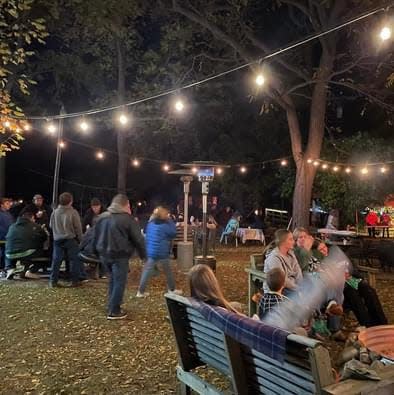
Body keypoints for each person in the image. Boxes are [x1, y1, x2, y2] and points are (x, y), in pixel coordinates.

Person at [93, 194, 146, 320]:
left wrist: (96, 253)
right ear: (125, 205)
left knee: (112, 280)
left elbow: (94, 236)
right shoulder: (127, 219)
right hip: (119, 255)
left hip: (104, 254)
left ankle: (111, 304)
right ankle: (114, 310)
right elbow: (138, 239)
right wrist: (144, 256)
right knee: (119, 282)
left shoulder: (102, 217)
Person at [137, 206, 181, 298]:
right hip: (162, 251)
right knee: (168, 271)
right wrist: (170, 221)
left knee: (147, 271)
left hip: (152, 251)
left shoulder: (151, 224)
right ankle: (171, 290)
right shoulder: (165, 226)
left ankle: (140, 291)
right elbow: (173, 233)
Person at [49, 192, 86, 287]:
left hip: (57, 240)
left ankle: (53, 281)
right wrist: (81, 239)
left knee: (56, 261)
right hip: (70, 239)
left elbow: (50, 225)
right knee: (74, 260)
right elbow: (78, 227)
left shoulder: (54, 212)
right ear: (70, 202)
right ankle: (74, 281)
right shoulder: (73, 212)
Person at [5, 210, 48, 279]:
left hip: (9, 254)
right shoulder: (35, 226)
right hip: (26, 252)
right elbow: (44, 237)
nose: (34, 220)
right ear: (31, 218)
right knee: (42, 252)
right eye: (34, 219)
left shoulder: (12, 226)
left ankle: (10, 268)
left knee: (13, 250)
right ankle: (30, 271)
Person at [263, 229, 303, 294]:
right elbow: (282, 280)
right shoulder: (274, 257)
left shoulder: (291, 254)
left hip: (292, 287)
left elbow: (298, 271)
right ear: (282, 242)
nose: (293, 242)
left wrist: (301, 285)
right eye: (290, 239)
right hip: (278, 289)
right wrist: (298, 289)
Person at [0, 198, 14, 277]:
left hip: (7, 238)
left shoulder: (9, 214)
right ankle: (2, 270)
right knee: (1, 254)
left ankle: (6, 269)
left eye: (9, 203)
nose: (9, 205)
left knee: (6, 254)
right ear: (2, 205)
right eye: (7, 203)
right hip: (1, 237)